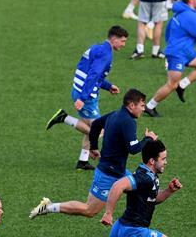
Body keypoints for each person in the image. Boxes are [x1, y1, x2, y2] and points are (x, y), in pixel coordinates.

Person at [30, 89, 157, 220]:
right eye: (142, 105)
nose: (143, 109)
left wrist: (94, 147)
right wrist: (148, 139)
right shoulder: (128, 122)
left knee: (144, 189)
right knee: (89, 210)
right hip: (108, 174)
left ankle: (132, 224)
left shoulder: (115, 114)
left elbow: (96, 124)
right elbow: (134, 149)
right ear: (131, 105)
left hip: (118, 171)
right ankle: (49, 207)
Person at [45, 26, 128, 171]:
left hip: (79, 89)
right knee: (98, 130)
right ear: (114, 39)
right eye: (122, 41)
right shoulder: (105, 54)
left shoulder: (97, 48)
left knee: (90, 128)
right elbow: (93, 75)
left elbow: (92, 73)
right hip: (87, 95)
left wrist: (108, 86)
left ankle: (82, 161)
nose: (123, 44)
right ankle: (64, 118)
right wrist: (83, 98)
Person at [144, 0, 196, 117]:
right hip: (178, 53)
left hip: (186, 50)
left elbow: (169, 32)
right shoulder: (190, 16)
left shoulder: (182, 12)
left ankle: (182, 85)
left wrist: (188, 40)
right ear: (191, 0)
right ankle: (149, 106)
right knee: (171, 84)